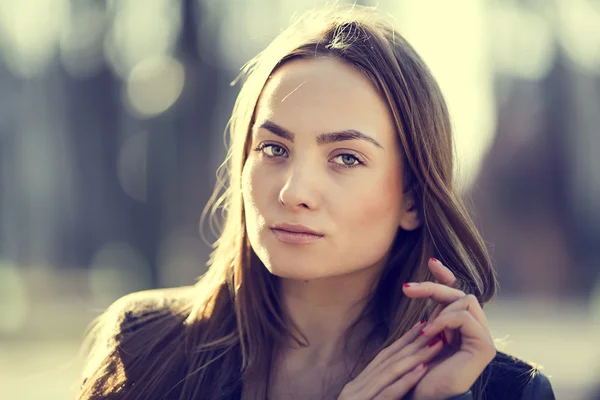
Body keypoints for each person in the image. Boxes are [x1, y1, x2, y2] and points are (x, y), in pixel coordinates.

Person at [78, 4, 555, 400]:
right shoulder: (145, 348)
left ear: (412, 197)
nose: (293, 191)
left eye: (345, 158)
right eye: (273, 149)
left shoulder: (504, 391)